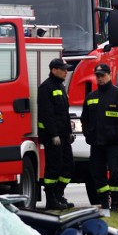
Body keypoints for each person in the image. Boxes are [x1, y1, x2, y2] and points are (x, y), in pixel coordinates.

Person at [81, 63, 118, 216]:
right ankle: (105, 205)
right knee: (98, 175)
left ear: (109, 75)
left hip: (113, 144)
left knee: (115, 173)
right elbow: (84, 119)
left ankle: (116, 206)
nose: (100, 78)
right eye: (97, 76)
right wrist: (87, 134)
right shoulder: (91, 97)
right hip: (96, 144)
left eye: (103, 75)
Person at [37, 58, 75, 210]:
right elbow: (47, 114)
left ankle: (59, 195)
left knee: (69, 166)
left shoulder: (60, 86)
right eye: (63, 69)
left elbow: (64, 114)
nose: (66, 71)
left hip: (64, 135)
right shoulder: (46, 87)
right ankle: (51, 199)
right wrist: (53, 135)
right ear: (54, 70)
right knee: (54, 167)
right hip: (52, 137)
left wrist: (69, 132)